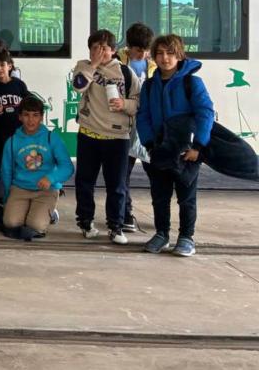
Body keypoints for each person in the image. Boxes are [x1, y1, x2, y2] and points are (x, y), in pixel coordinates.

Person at [137, 34, 216, 257]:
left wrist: (198, 147)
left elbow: (206, 113)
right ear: (154, 57)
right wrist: (150, 144)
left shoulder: (192, 83)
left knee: (186, 197)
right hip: (160, 150)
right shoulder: (150, 86)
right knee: (160, 195)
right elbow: (143, 116)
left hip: (186, 150)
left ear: (179, 55)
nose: (165, 58)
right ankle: (161, 234)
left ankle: (186, 238)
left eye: (170, 53)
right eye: (160, 53)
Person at [71, 29, 141, 245]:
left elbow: (138, 103)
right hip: (89, 134)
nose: (100, 52)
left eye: (105, 48)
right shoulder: (84, 66)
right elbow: (78, 86)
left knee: (117, 184)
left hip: (117, 137)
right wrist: (93, 65)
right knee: (85, 181)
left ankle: (116, 225)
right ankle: (85, 221)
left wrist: (125, 104)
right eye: (95, 48)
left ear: (114, 50)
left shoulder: (126, 73)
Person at [0, 97, 74, 239]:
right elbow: (6, 171)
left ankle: (50, 213)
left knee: (36, 227)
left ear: (41, 117)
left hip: (45, 190)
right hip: (20, 189)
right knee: (11, 223)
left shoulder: (51, 138)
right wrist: (7, 197)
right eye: (26, 115)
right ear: (20, 117)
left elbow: (67, 167)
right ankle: (28, 210)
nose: (30, 120)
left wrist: (51, 178)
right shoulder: (12, 141)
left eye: (35, 115)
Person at [117, 22, 157, 233]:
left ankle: (160, 214)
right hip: (124, 125)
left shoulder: (155, 65)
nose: (143, 54)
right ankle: (125, 214)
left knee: (158, 173)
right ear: (129, 47)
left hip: (148, 126)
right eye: (139, 50)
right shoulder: (117, 62)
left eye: (146, 50)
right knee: (123, 172)